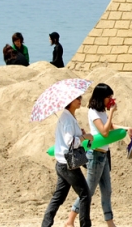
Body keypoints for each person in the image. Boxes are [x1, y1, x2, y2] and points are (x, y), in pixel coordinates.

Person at [65, 84, 132, 227]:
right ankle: (70, 219)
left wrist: (126, 128)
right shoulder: (93, 112)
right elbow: (104, 132)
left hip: (104, 155)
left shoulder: (101, 111)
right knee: (89, 190)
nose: (111, 99)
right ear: (101, 97)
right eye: (108, 97)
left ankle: (110, 223)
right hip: (95, 155)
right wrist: (111, 112)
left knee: (107, 190)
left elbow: (110, 126)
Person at [41, 94, 94, 227]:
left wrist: (80, 134)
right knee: (85, 194)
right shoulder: (67, 119)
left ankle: (45, 224)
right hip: (68, 164)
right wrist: (85, 136)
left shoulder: (68, 117)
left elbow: (70, 138)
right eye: (77, 98)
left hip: (62, 163)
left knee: (58, 197)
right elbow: (71, 142)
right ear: (69, 101)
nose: (80, 100)